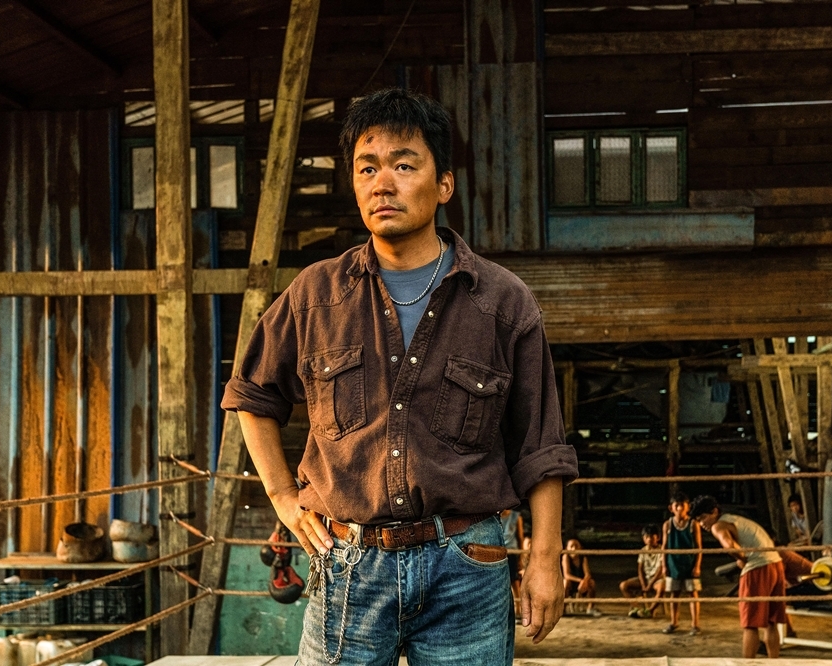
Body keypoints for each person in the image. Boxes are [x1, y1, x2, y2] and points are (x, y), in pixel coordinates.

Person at [222, 87, 579, 665]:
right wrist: (285, 498)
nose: (381, 183)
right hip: (347, 567)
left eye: (403, 165)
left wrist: (544, 557)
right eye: (367, 168)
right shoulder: (316, 295)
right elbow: (250, 393)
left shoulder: (502, 302)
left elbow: (541, 445)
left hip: (467, 566)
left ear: (444, 186)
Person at [691, 495, 786, 659]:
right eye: (698, 520)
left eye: (704, 518)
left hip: (757, 567)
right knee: (771, 622)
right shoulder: (735, 519)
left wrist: (741, 558)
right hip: (776, 564)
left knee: (750, 624)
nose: (702, 524)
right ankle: (774, 661)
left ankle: (747, 663)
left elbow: (730, 546)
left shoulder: (718, 526)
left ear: (714, 512)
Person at [661, 491, 702, 635]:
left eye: (682, 505)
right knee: (674, 594)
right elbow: (664, 547)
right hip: (673, 564)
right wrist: (664, 565)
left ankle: (695, 625)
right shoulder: (667, 525)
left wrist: (697, 566)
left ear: (688, 507)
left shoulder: (693, 524)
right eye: (676, 505)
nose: (679, 509)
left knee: (693, 594)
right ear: (671, 508)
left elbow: (698, 547)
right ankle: (674, 622)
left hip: (689, 564)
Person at [620, 524, 664, 618]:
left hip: (657, 579)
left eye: (652, 536)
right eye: (646, 537)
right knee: (623, 585)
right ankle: (636, 607)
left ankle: (650, 610)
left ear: (658, 537)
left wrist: (650, 584)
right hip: (646, 578)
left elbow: (660, 570)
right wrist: (644, 584)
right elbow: (640, 569)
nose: (649, 539)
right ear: (643, 538)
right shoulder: (643, 550)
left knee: (661, 588)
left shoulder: (662, 550)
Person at [561, 538, 599, 616]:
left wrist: (584, 581)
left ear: (581, 547)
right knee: (565, 582)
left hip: (582, 584)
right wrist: (580, 581)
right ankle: (562, 609)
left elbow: (587, 574)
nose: (574, 548)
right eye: (571, 546)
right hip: (571, 583)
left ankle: (590, 608)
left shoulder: (583, 558)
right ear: (566, 548)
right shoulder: (566, 557)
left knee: (592, 583)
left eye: (576, 546)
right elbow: (567, 575)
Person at [500, 508, 525, 613]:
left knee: (514, 579)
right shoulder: (496, 517)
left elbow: (520, 537)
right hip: (500, 550)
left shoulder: (516, 516)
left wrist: (521, 555)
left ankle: (519, 607)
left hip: (512, 551)